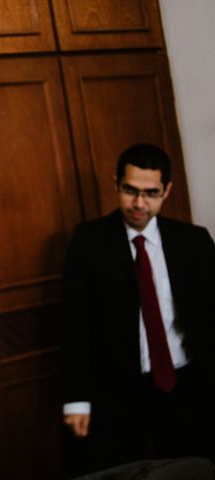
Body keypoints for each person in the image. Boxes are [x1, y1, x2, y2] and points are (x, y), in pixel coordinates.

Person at [62, 143, 215, 473]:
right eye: (131, 190)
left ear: (167, 190)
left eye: (151, 193)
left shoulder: (195, 241)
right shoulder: (88, 241)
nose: (139, 203)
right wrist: (77, 399)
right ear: (116, 183)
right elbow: (76, 326)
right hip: (118, 392)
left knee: (196, 468)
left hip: (187, 385)